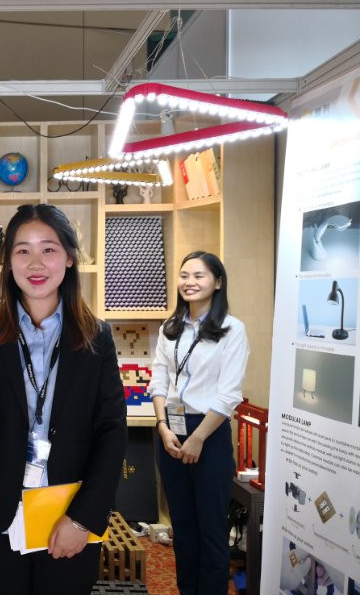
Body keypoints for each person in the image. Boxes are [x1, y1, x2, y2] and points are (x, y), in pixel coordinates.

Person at [0, 203, 127, 595]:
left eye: (49, 249)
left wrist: (84, 519)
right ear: (8, 262)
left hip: (69, 511)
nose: (36, 263)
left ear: (70, 258)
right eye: (23, 250)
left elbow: (112, 434)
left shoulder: (97, 337)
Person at [149, 251, 250, 595]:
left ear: (217, 282)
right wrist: (162, 426)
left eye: (199, 276)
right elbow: (159, 381)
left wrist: (198, 438)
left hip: (209, 432)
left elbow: (229, 394)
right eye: (184, 275)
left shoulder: (232, 330)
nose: (189, 282)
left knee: (211, 530)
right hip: (171, 430)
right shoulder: (170, 328)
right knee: (183, 527)